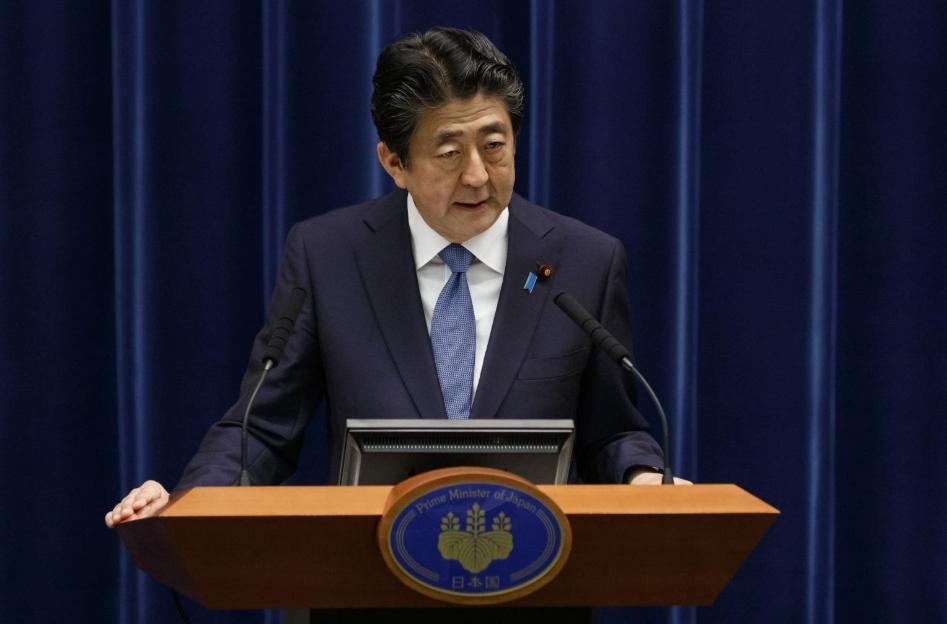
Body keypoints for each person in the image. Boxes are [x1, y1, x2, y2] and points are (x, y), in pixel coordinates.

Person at [105, 26, 688, 531]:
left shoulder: (585, 261)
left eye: (494, 146)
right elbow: (261, 429)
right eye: (449, 153)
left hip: (535, 579)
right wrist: (191, 502)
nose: (478, 176)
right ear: (394, 162)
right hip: (367, 583)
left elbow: (613, 432)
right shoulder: (328, 256)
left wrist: (643, 476)